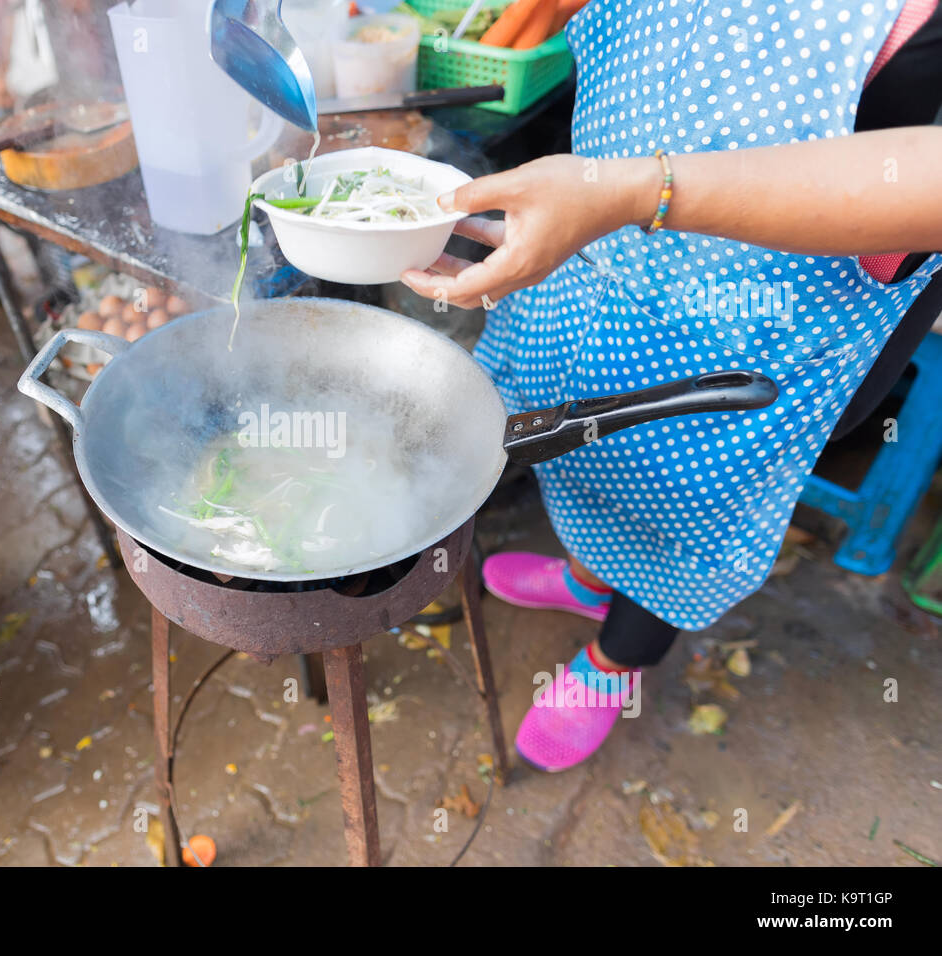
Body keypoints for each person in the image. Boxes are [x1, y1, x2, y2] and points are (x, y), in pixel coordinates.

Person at [401, 0, 942, 772]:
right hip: (595, 265)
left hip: (757, 331)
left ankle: (615, 665)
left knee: (683, 511)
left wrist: (635, 193)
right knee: (578, 448)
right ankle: (589, 577)